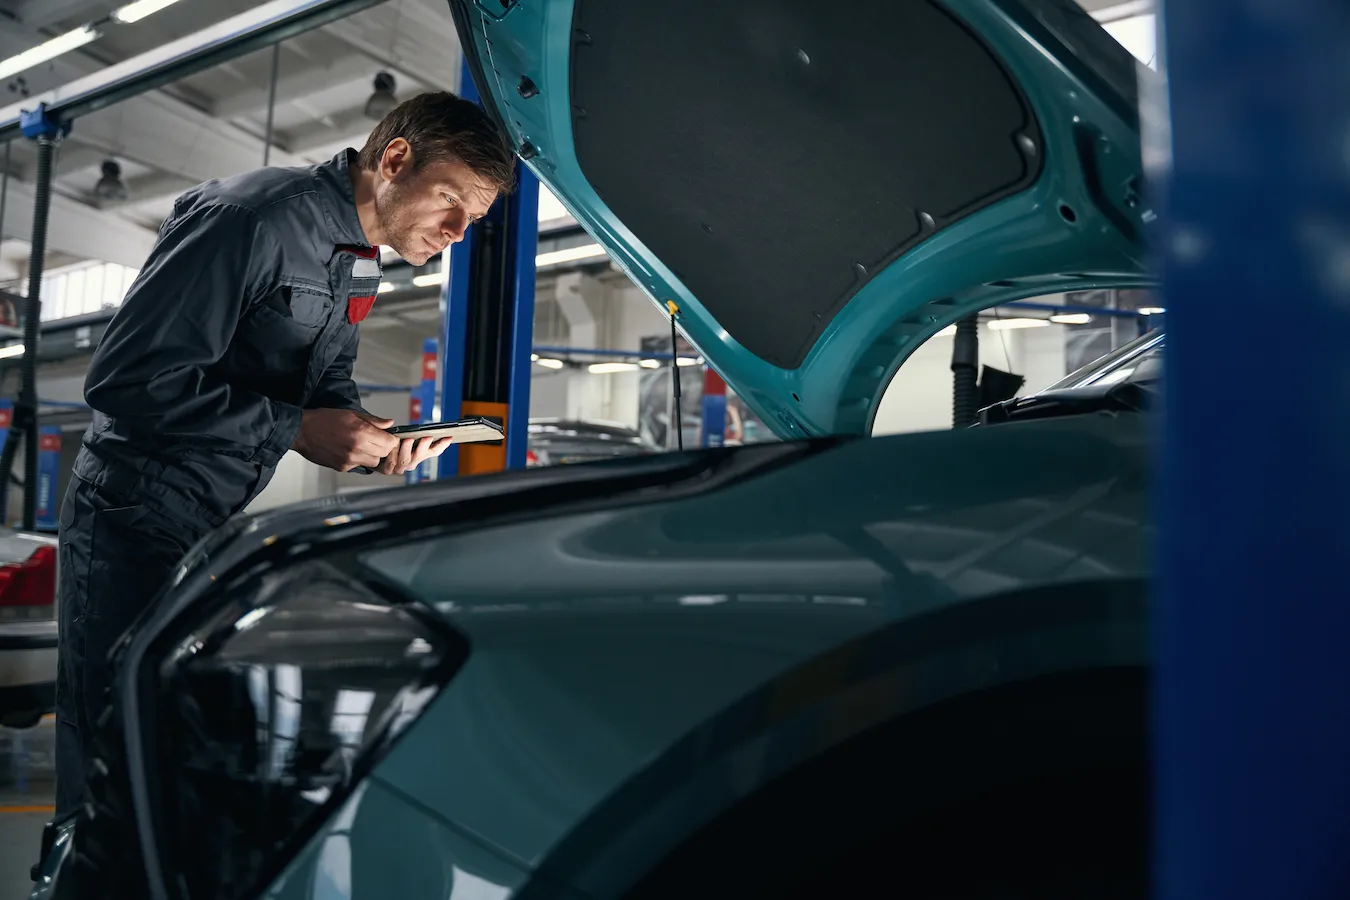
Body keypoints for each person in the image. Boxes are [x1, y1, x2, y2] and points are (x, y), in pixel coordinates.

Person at [53, 90, 516, 818]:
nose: (458, 232)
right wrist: (298, 429)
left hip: (212, 520)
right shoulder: (254, 219)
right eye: (449, 201)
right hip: (132, 512)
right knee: (115, 738)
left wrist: (369, 437)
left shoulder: (362, 262)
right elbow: (127, 379)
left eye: (475, 221)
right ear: (395, 160)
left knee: (173, 739)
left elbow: (324, 384)